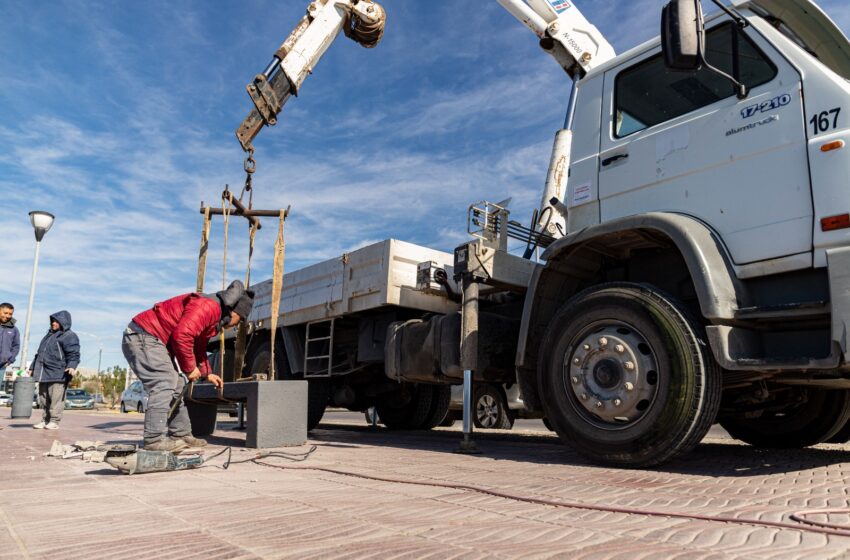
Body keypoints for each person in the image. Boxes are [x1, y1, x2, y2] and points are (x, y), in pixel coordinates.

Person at [122, 280, 254, 452]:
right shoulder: (208, 307)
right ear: (234, 311)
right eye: (240, 320)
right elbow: (182, 336)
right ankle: (154, 439)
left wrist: (207, 373)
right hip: (143, 336)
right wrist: (190, 368)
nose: (237, 324)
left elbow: (198, 347)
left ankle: (181, 434)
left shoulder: (214, 318)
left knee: (176, 385)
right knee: (165, 382)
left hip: (151, 339)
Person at [28, 311, 80, 430]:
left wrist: (72, 365)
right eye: (52, 321)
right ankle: (45, 420)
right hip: (43, 372)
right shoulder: (48, 336)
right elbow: (39, 354)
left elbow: (74, 353)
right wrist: (32, 367)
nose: (53, 323)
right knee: (44, 398)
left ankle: (54, 421)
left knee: (56, 399)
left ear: (63, 322)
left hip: (58, 373)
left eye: (56, 321)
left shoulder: (69, 335)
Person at [0, 303, 20, 372]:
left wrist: (10, 360)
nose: (8, 316)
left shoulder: (14, 329)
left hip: (2, 366)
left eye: (10, 314)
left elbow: (16, 346)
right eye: (5, 313)